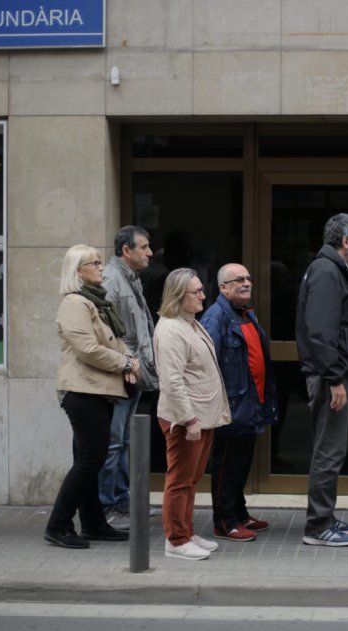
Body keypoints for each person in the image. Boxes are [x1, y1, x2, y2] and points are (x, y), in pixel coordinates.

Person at [45, 245, 133, 549]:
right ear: (77, 271)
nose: (101, 267)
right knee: (90, 460)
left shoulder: (98, 302)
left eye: (99, 261)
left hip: (99, 390)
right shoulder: (74, 303)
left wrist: (130, 362)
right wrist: (125, 364)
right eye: (94, 263)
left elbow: (116, 342)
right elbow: (88, 349)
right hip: (83, 391)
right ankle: (58, 525)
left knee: (87, 460)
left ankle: (93, 523)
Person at [296, 214, 348, 547]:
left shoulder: (330, 270)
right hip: (332, 377)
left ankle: (325, 517)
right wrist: (335, 379)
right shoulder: (327, 272)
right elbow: (321, 331)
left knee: (332, 449)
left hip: (336, 373)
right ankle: (318, 525)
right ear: (345, 241)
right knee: (329, 451)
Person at [154, 268, 231, 560]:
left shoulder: (190, 322)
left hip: (201, 415)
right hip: (186, 419)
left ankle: (185, 531)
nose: (203, 295)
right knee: (180, 479)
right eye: (196, 292)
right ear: (178, 295)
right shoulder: (172, 328)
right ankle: (176, 540)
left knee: (191, 478)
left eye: (201, 289)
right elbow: (172, 381)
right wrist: (189, 419)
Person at [200, 263, 277, 542]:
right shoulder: (216, 317)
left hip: (250, 402)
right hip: (231, 405)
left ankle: (239, 513)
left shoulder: (245, 314)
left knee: (241, 461)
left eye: (249, 278)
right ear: (223, 287)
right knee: (227, 464)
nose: (247, 283)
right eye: (238, 280)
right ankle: (224, 521)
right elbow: (208, 365)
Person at [100, 226, 160, 531]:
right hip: (121, 372)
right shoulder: (112, 279)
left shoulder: (130, 278)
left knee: (123, 441)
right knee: (112, 444)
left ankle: (123, 501)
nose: (150, 253)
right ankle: (107, 506)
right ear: (127, 250)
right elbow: (102, 330)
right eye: (144, 247)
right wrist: (124, 364)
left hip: (132, 371)